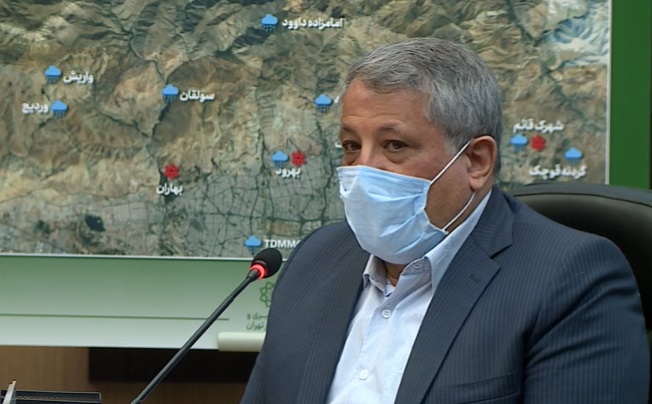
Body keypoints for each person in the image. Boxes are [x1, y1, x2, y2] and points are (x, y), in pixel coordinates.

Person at [242, 38, 649, 403]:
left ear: (476, 161)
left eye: (394, 145)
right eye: (351, 146)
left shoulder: (572, 280)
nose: (362, 169)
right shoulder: (316, 259)